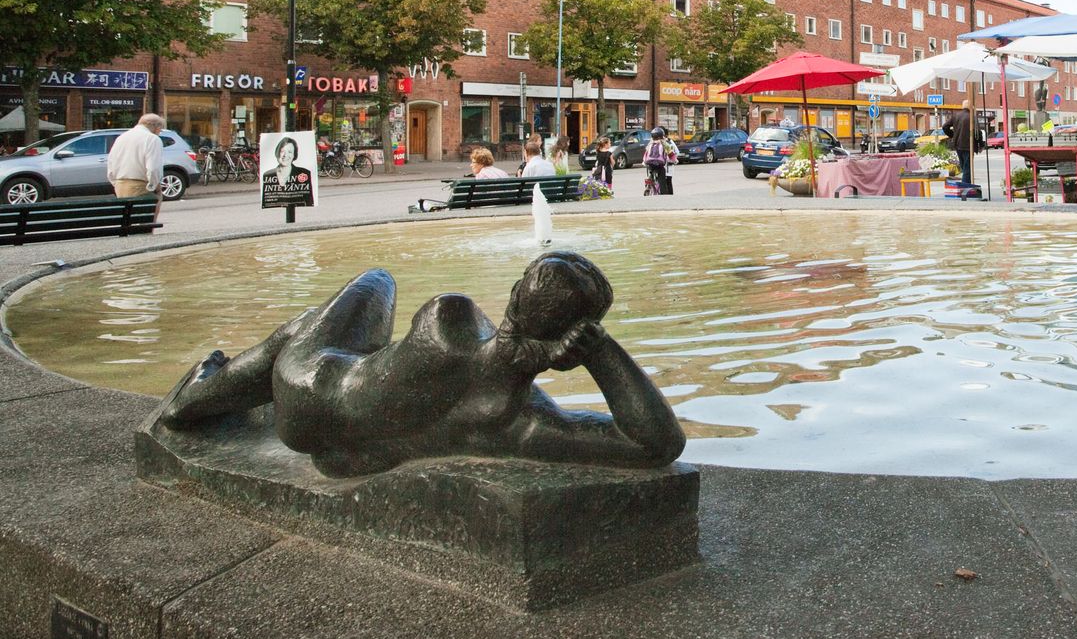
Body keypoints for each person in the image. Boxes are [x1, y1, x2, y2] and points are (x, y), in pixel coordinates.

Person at [156, 251, 686, 476]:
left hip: (307, 393)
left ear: (514, 294)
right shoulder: (517, 424)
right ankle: (204, 395)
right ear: (575, 338)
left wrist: (536, 353)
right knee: (329, 339)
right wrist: (599, 351)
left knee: (374, 283)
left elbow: (479, 358)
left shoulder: (450, 317)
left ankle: (192, 399)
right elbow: (659, 445)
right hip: (336, 442)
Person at [107, 113, 165, 201]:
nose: (159, 133)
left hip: (120, 186)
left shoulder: (121, 137)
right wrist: (153, 186)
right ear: (157, 127)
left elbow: (111, 163)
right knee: (155, 201)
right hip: (140, 186)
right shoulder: (152, 139)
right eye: (160, 130)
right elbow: (153, 168)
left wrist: (115, 183)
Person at [261, 135, 316, 207]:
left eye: (289, 152)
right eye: (282, 151)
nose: (285, 155)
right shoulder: (268, 175)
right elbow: (265, 203)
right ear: (277, 153)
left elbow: (309, 201)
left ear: (294, 155)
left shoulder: (304, 173)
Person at [943, 108, 974, 184]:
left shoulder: (956, 115)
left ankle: (967, 185)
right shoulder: (971, 116)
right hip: (968, 145)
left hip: (958, 144)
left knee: (964, 166)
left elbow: (945, 127)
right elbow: (977, 131)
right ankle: (965, 186)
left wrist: (952, 135)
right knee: (967, 167)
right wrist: (980, 144)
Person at [642, 126, 676, 196]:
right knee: (662, 179)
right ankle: (664, 194)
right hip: (660, 165)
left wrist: (644, 162)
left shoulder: (650, 143)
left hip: (650, 164)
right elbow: (671, 154)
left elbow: (646, 153)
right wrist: (674, 160)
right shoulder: (664, 143)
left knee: (650, 172)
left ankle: (649, 184)